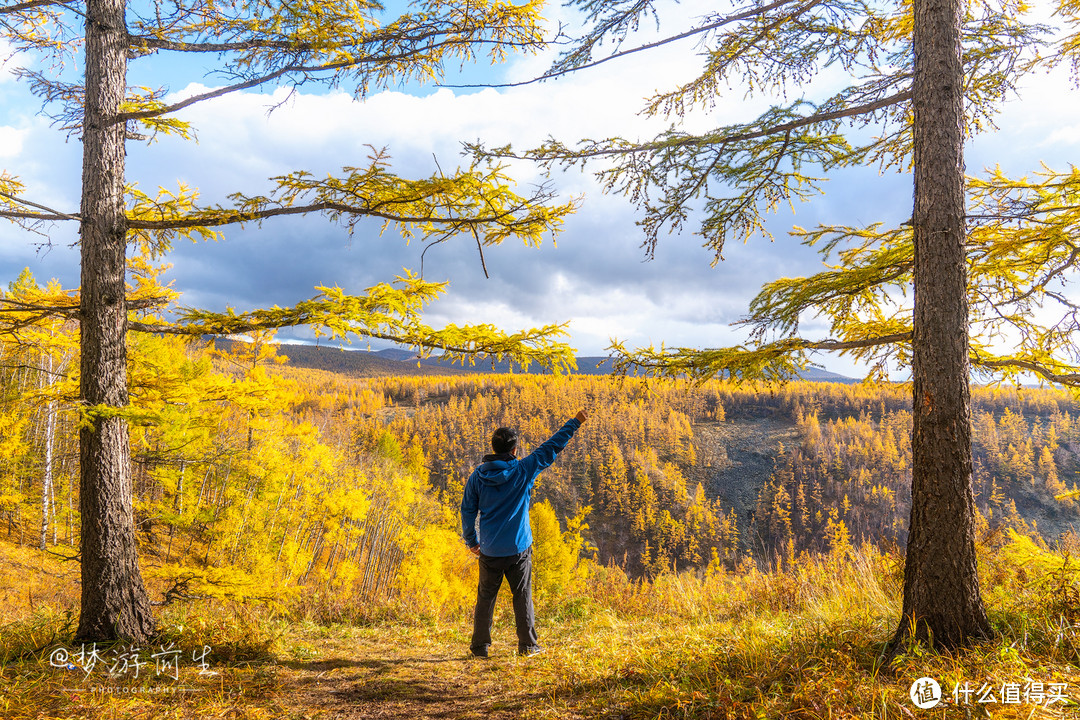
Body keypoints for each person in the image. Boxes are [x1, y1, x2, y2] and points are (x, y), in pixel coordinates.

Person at [460, 410, 588, 658]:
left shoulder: (477, 476)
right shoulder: (523, 470)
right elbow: (551, 446)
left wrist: (471, 541)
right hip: (518, 549)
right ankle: (527, 646)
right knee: (522, 596)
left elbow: (467, 511)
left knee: (485, 598)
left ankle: (480, 647)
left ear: (494, 448)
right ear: (515, 450)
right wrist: (575, 422)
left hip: (489, 550)